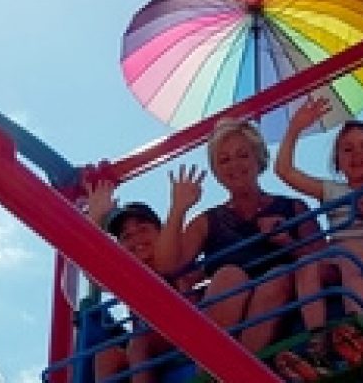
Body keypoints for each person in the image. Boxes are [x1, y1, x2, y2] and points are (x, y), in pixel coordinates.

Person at [154, 118, 324, 364]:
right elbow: (167, 266)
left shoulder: (293, 207)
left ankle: (238, 371)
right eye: (224, 160)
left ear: (258, 158)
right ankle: (226, 367)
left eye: (242, 155)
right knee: (229, 276)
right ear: (217, 172)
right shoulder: (208, 221)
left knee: (277, 277)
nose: (234, 165)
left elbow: (323, 258)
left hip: (280, 303)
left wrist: (286, 241)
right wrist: (178, 209)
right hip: (227, 306)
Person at [273, 95, 363, 373]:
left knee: (349, 258)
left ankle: (354, 328)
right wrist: (295, 128)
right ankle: (318, 343)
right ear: (337, 162)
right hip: (335, 257)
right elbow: (284, 171)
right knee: (307, 266)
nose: (357, 155)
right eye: (347, 150)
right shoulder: (334, 191)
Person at [82, 181, 186, 383]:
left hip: (187, 332)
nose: (136, 239)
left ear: (162, 233)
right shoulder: (130, 277)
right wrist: (95, 218)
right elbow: (94, 273)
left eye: (143, 229)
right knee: (106, 356)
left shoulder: (177, 258)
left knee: (138, 343)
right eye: (127, 236)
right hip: (150, 344)